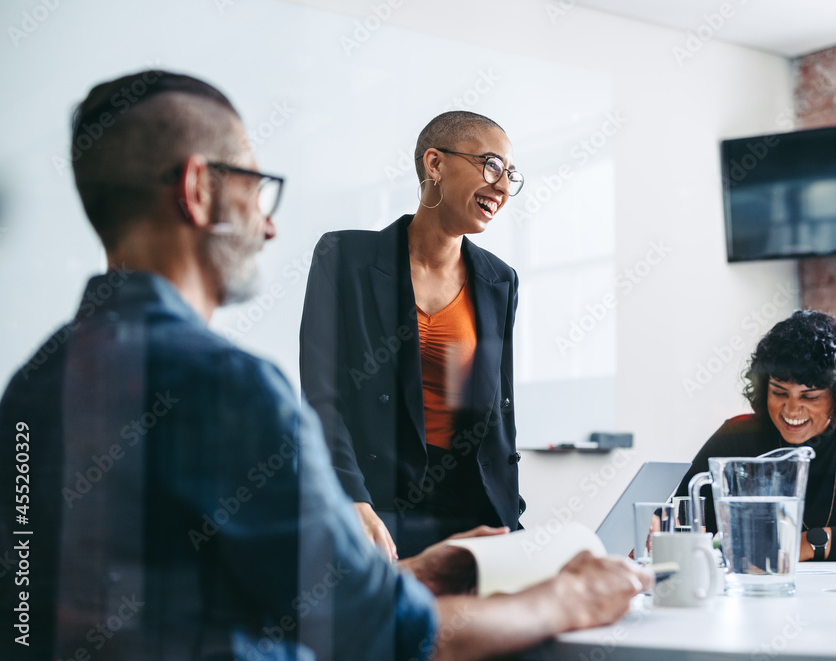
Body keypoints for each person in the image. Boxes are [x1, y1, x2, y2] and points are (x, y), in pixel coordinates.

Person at [0, 70, 650, 661]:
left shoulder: (33, 383)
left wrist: (413, 572)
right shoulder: (229, 386)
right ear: (199, 190)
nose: (270, 226)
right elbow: (381, 633)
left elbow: (214, 590)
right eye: (257, 186)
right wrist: (569, 598)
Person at [300, 111, 524, 559]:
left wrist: (511, 518)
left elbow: (496, 410)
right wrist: (352, 499)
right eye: (491, 165)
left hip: (473, 508)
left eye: (510, 174)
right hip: (375, 502)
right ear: (435, 165)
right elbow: (323, 397)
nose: (502, 187)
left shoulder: (499, 280)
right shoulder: (345, 257)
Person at [676, 310, 836, 562]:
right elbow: (681, 516)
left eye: (810, 397)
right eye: (779, 392)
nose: (791, 410)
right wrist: (662, 531)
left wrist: (816, 542)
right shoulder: (738, 435)